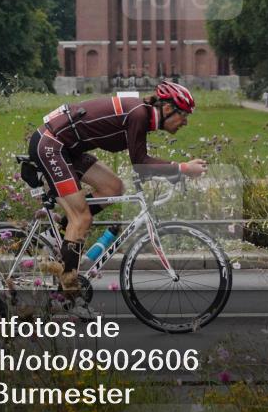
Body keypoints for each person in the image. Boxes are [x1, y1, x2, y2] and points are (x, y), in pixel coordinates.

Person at [28, 80, 207, 314]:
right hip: (51, 145)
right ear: (167, 108)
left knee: (113, 188)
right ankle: (67, 297)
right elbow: (140, 162)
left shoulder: (142, 115)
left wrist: (173, 172)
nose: (185, 122)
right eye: (183, 115)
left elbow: (140, 163)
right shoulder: (139, 115)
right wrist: (182, 168)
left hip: (67, 148)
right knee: (81, 219)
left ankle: (56, 233)